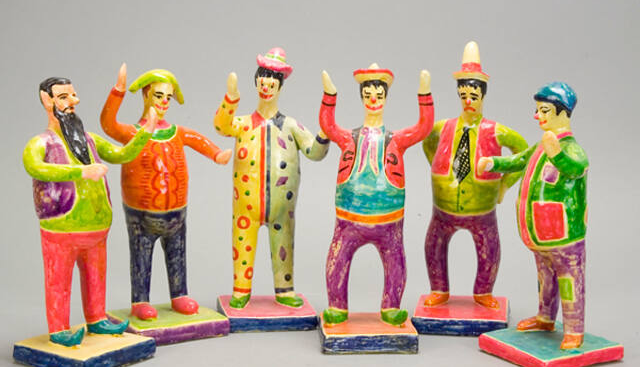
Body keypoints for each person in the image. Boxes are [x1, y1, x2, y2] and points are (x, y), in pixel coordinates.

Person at [23, 77, 156, 346]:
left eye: (73, 95)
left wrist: (145, 133)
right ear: (47, 101)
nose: (74, 101)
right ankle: (59, 329)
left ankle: (97, 319)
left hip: (97, 227)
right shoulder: (41, 143)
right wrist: (81, 171)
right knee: (58, 279)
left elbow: (121, 155)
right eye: (64, 97)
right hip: (61, 227)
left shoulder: (89, 139)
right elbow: (34, 167)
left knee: (96, 276)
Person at [100, 64, 232, 321]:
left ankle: (179, 295)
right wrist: (118, 91)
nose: (163, 102)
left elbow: (197, 139)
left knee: (177, 252)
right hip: (141, 213)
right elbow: (108, 124)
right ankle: (140, 300)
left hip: (176, 212)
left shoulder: (176, 133)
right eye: (158, 95)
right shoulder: (133, 133)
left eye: (168, 97)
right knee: (141, 254)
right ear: (146, 95)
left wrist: (217, 154)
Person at [214, 48, 329, 309]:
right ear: (256, 82)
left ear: (280, 86)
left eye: (272, 83)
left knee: (283, 245)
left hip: (282, 207)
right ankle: (241, 290)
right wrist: (231, 98)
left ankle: (284, 290)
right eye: (262, 81)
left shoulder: (290, 126)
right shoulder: (243, 123)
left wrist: (325, 134)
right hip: (246, 205)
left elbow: (315, 152)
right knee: (243, 244)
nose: (266, 87)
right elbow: (221, 126)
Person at [320, 64, 433, 326]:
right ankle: (337, 305)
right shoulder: (349, 137)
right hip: (349, 217)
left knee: (395, 260)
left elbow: (423, 128)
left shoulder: (396, 139)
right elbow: (328, 125)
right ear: (361, 97)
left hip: (388, 218)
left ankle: (391, 307)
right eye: (368, 94)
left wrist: (424, 94)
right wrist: (330, 96)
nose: (373, 100)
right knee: (339, 257)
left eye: (379, 95)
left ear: (385, 98)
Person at [479, 82, 587, 349]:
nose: (537, 115)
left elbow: (577, 167)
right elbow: (519, 160)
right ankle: (545, 318)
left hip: (564, 235)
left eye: (544, 110)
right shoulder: (541, 145)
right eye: (538, 110)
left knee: (569, 280)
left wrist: (557, 155)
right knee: (545, 278)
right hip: (540, 234)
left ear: (562, 113)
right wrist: (493, 163)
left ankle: (574, 330)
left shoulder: (569, 148)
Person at [422, 42, 527, 309]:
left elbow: (523, 153)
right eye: (464, 95)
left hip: (482, 209)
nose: (468, 101)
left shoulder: (495, 130)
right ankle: (439, 289)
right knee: (435, 244)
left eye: (474, 96)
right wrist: (437, 167)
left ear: (483, 96)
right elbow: (427, 141)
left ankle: (483, 292)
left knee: (488, 247)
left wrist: (505, 184)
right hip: (443, 208)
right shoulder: (443, 127)